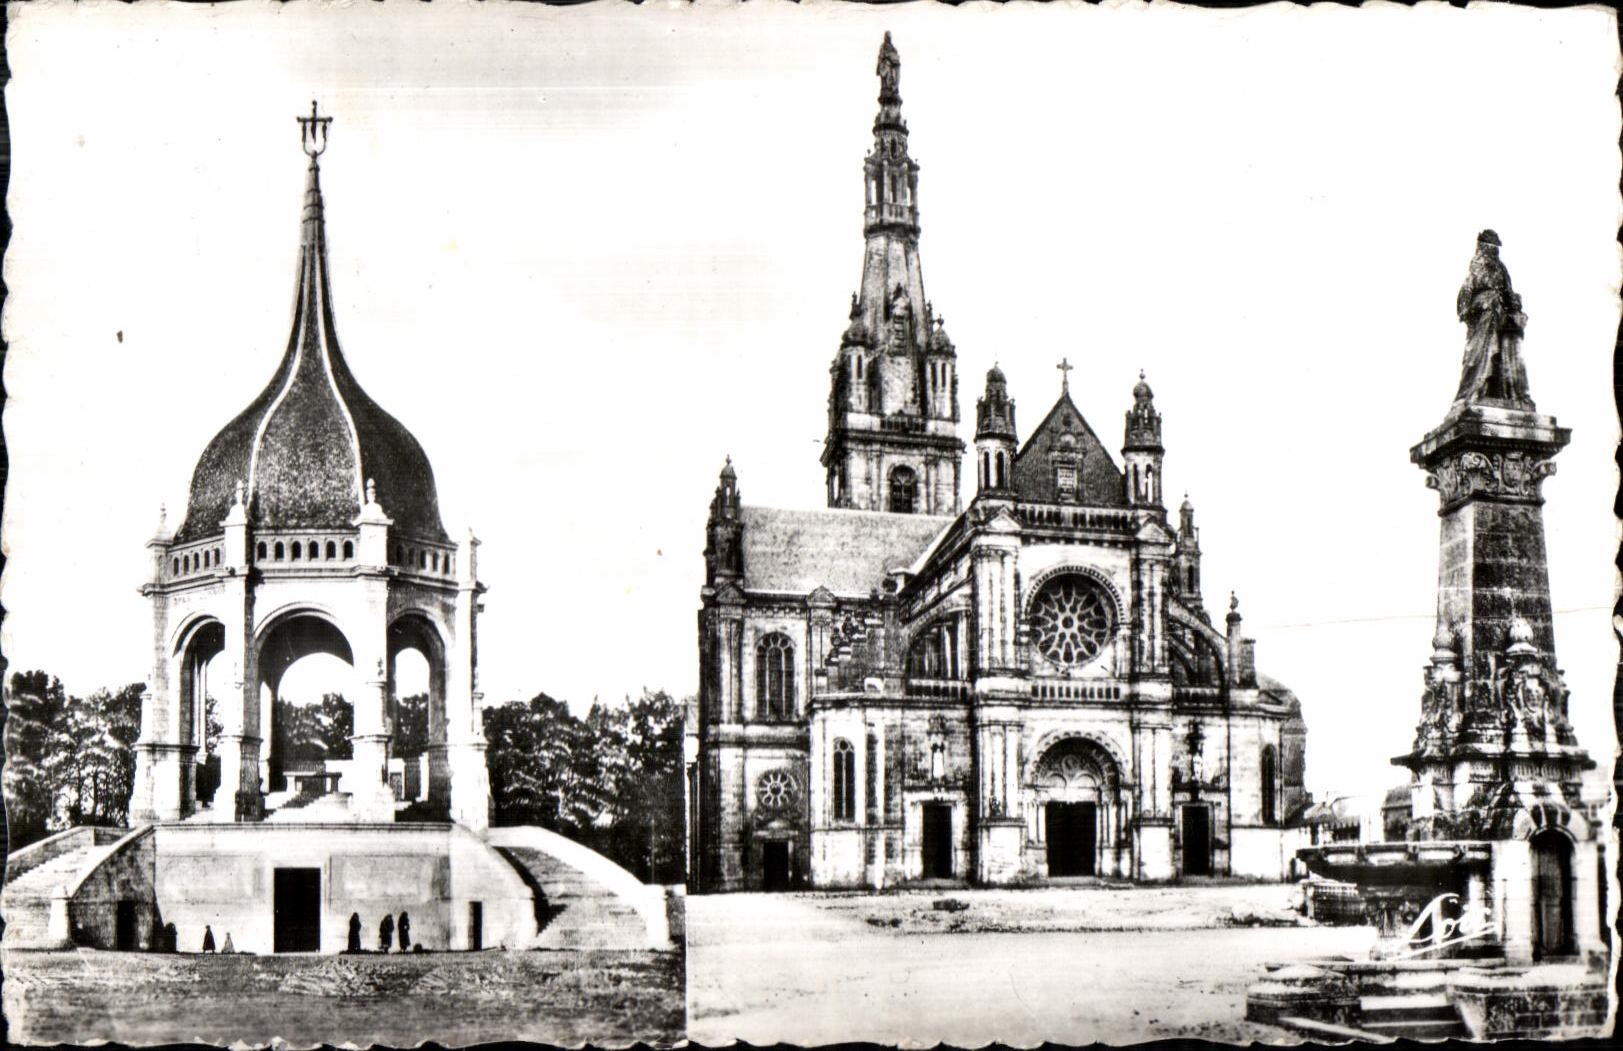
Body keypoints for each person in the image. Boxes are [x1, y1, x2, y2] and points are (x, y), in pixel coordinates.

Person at [1453, 229, 1528, 406]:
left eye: (1495, 248)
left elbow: (1508, 293)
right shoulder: (1476, 266)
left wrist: (1516, 307)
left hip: (1499, 318)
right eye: (1490, 247)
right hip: (1483, 319)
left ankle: (1510, 391)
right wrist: (1472, 307)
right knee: (1475, 357)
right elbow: (1465, 296)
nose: (1493, 251)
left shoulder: (1500, 269)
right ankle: (1473, 389)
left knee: (1508, 341)